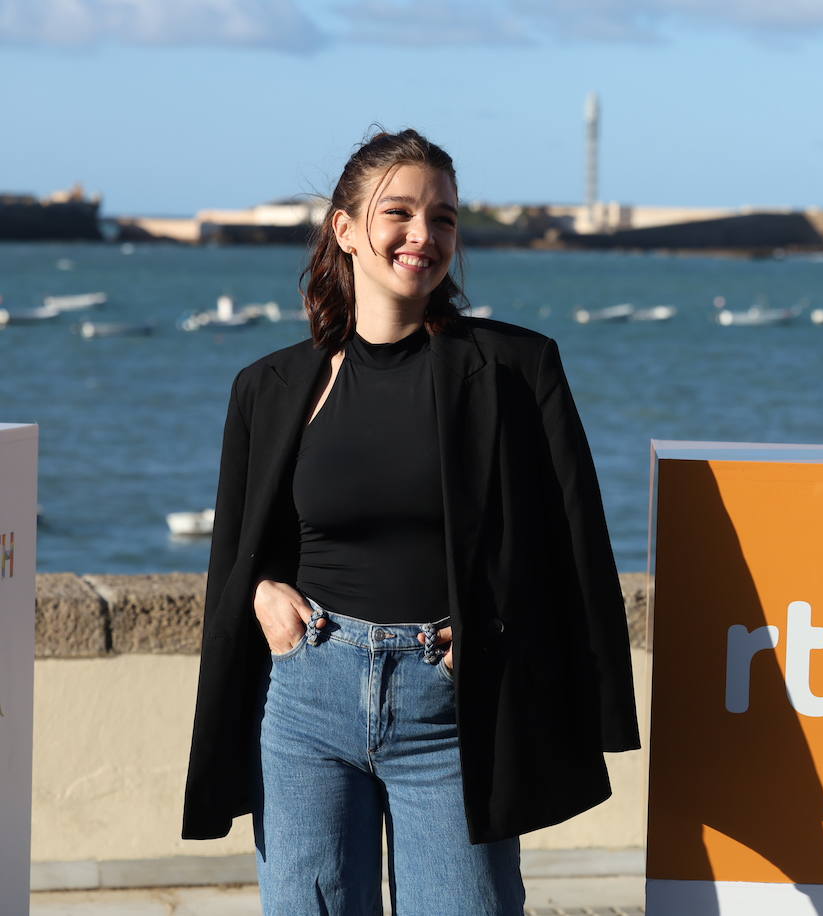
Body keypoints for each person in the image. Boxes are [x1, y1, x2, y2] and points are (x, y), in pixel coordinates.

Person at [181, 128, 640, 915]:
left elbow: (572, 545)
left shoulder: (514, 372)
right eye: (399, 212)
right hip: (305, 704)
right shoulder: (269, 387)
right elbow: (243, 549)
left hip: (451, 710)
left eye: (446, 218)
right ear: (346, 229)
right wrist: (261, 593)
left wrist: (500, 631)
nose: (424, 236)